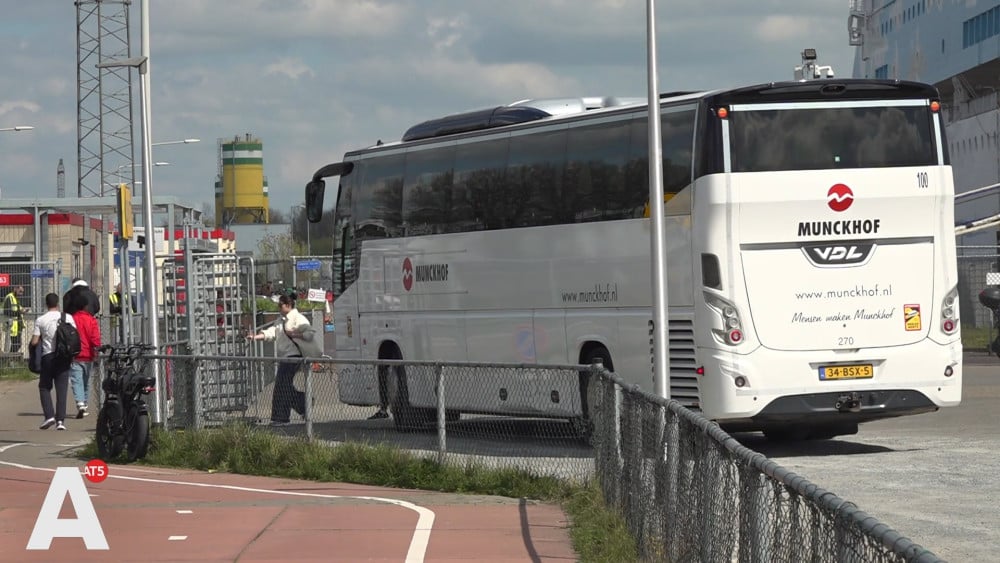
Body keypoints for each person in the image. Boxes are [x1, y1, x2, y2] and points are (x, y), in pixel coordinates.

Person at [246, 294, 310, 426]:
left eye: (280, 305)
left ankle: (282, 417)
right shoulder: (281, 320)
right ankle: (302, 404)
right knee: (284, 385)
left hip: (295, 355)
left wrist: (294, 334)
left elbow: (309, 334)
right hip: (286, 356)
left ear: (288, 305)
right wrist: (256, 337)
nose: (278, 308)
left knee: (282, 385)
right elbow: (272, 332)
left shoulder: (298, 318)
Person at [31, 293, 76, 431]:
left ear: (46, 304)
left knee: (44, 387)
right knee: (62, 390)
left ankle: (49, 416)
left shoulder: (41, 320)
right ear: (58, 304)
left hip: (48, 357)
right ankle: (60, 421)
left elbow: (34, 341)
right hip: (64, 357)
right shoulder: (67, 317)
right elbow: (74, 336)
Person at [69, 293, 101, 419]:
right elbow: (95, 338)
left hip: (75, 355)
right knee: (86, 381)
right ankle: (85, 403)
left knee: (76, 380)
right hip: (89, 355)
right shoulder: (91, 320)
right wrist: (97, 350)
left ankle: (80, 403)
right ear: (86, 306)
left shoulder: (72, 319)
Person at [3, 285, 27, 354]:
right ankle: (10, 358)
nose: (21, 294)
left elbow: (17, 308)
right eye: (20, 291)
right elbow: (7, 311)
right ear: (15, 289)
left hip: (18, 325)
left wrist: (23, 310)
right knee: (15, 344)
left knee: (17, 344)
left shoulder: (15, 298)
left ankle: (11, 357)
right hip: (12, 325)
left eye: (22, 292)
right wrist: (20, 312)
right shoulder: (9, 297)